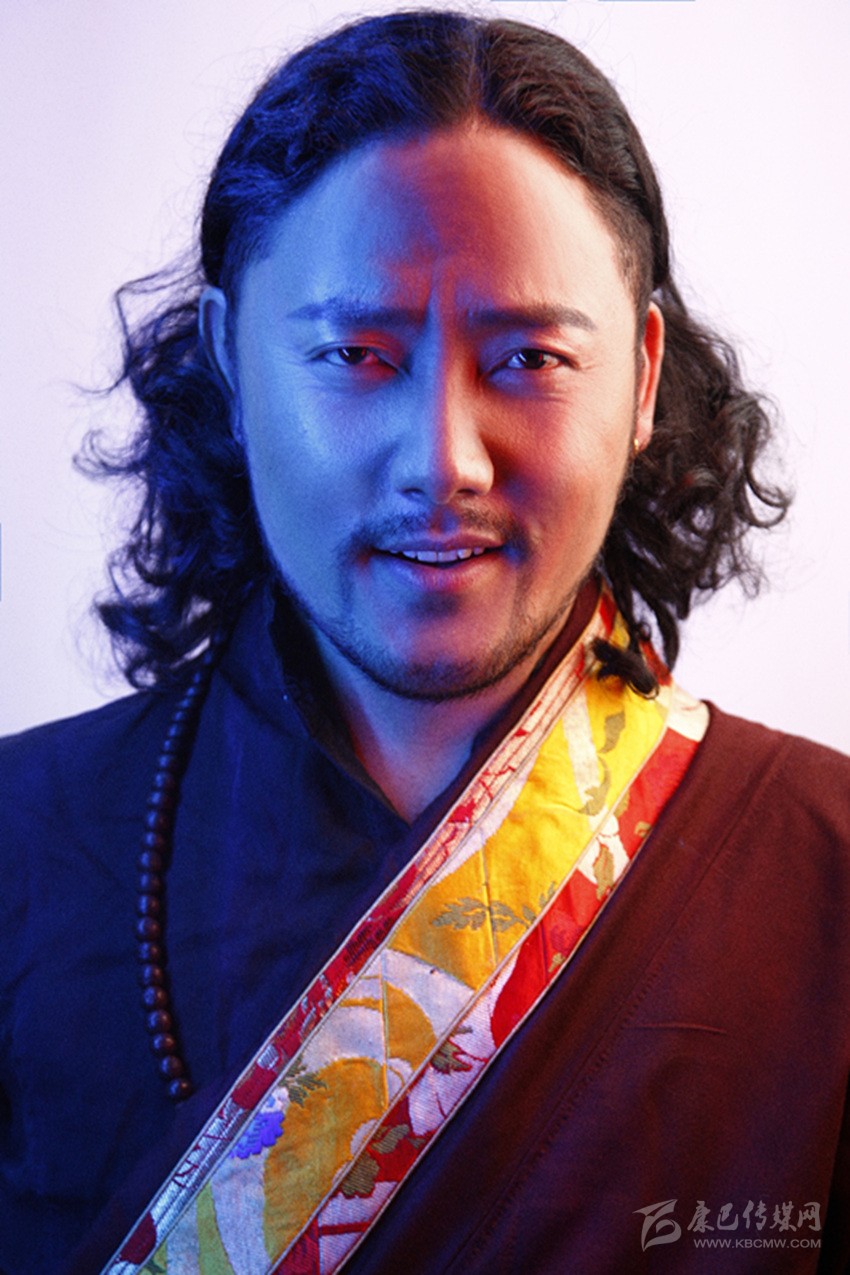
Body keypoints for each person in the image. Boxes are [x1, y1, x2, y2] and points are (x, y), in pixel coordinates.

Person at [1, 9, 848, 1273]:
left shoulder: (824, 872)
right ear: (230, 361)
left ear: (642, 378)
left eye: (529, 357)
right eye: (356, 352)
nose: (443, 460)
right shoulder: (21, 838)